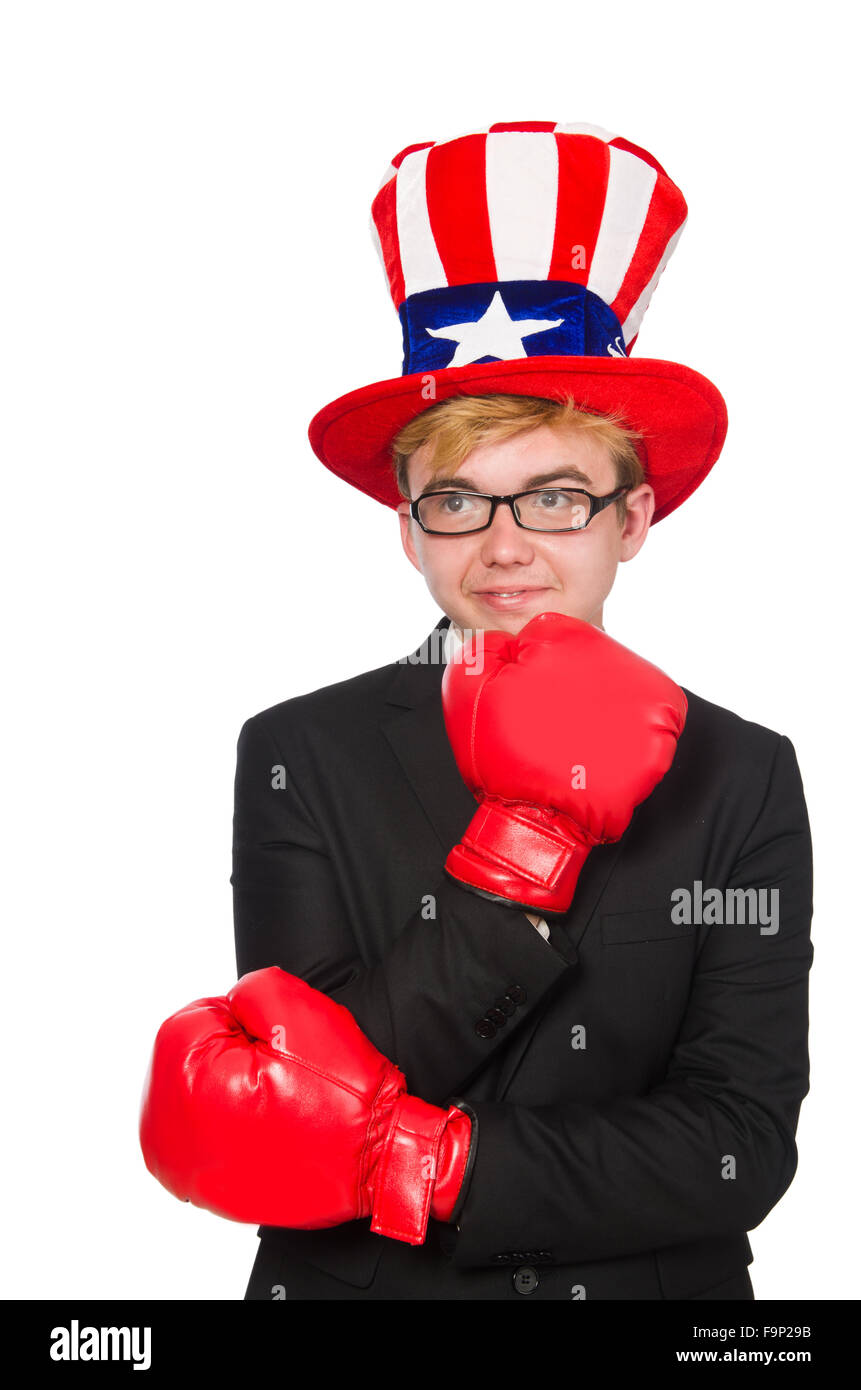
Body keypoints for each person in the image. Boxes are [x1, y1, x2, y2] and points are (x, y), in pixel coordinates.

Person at [139, 122, 813, 1301]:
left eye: (554, 495)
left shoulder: (742, 771)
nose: (504, 548)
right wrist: (527, 844)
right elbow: (310, 1083)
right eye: (457, 500)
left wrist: (443, 1163)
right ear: (408, 527)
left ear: (632, 518)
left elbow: (738, 1146)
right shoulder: (299, 751)